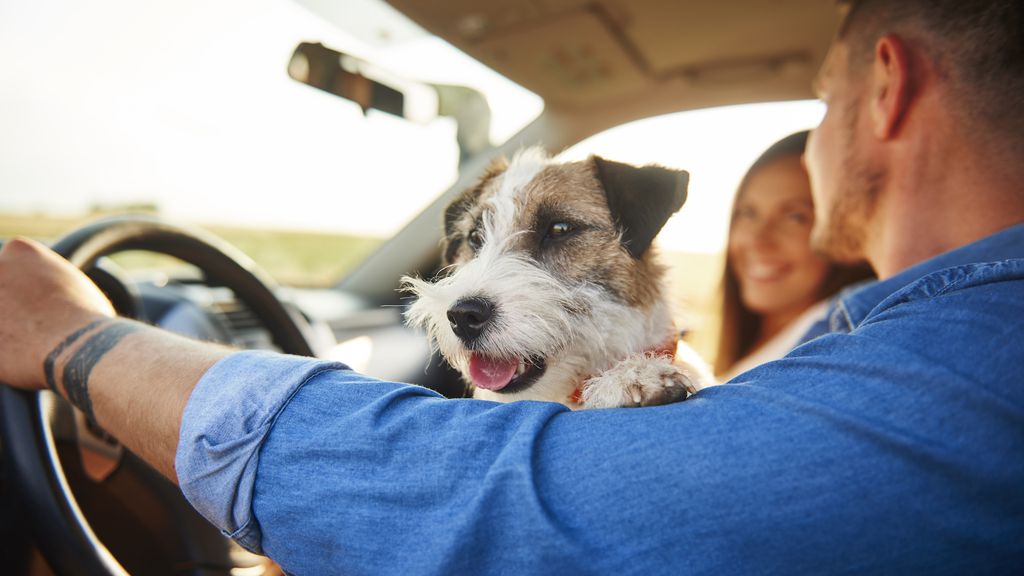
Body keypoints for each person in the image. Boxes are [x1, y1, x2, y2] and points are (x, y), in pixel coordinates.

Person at [1, 0, 1022, 573]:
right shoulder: (890, 345)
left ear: (884, 89)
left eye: (821, 97)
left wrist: (81, 344)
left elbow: (492, 503)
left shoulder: (958, 379)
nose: (805, 157)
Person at [716, 130, 873, 380]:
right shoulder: (765, 343)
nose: (758, 240)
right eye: (748, 213)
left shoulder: (829, 344)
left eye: (795, 217)